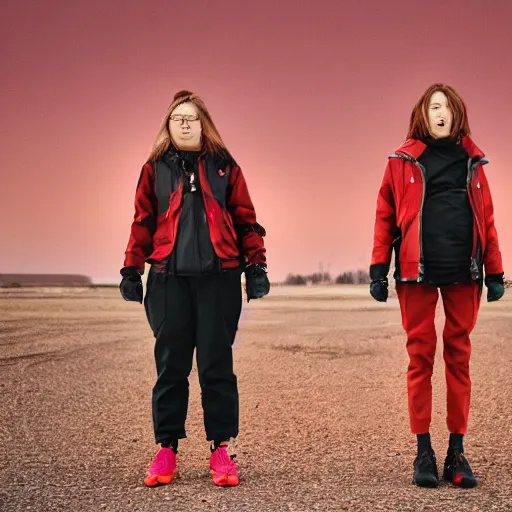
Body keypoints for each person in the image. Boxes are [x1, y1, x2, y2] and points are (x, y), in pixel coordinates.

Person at [119, 90, 270, 487]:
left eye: (191, 118)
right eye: (177, 118)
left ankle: (221, 449)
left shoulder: (225, 167)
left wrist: (256, 264)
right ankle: (166, 449)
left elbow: (246, 218)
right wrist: (131, 269)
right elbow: (142, 221)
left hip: (219, 279)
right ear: (167, 126)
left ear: (205, 124)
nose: (185, 124)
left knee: (217, 365)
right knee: (171, 366)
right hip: (168, 281)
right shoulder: (154, 169)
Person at [369, 83, 505, 488]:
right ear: (422, 115)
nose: (440, 112)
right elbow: (384, 217)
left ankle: (457, 452)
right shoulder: (401, 161)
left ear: (457, 113)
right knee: (420, 360)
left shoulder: (474, 161)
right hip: (417, 274)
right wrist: (379, 268)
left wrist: (495, 272)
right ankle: (423, 451)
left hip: (465, 274)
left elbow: (489, 221)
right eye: (433, 107)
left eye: (446, 106)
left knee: (459, 360)